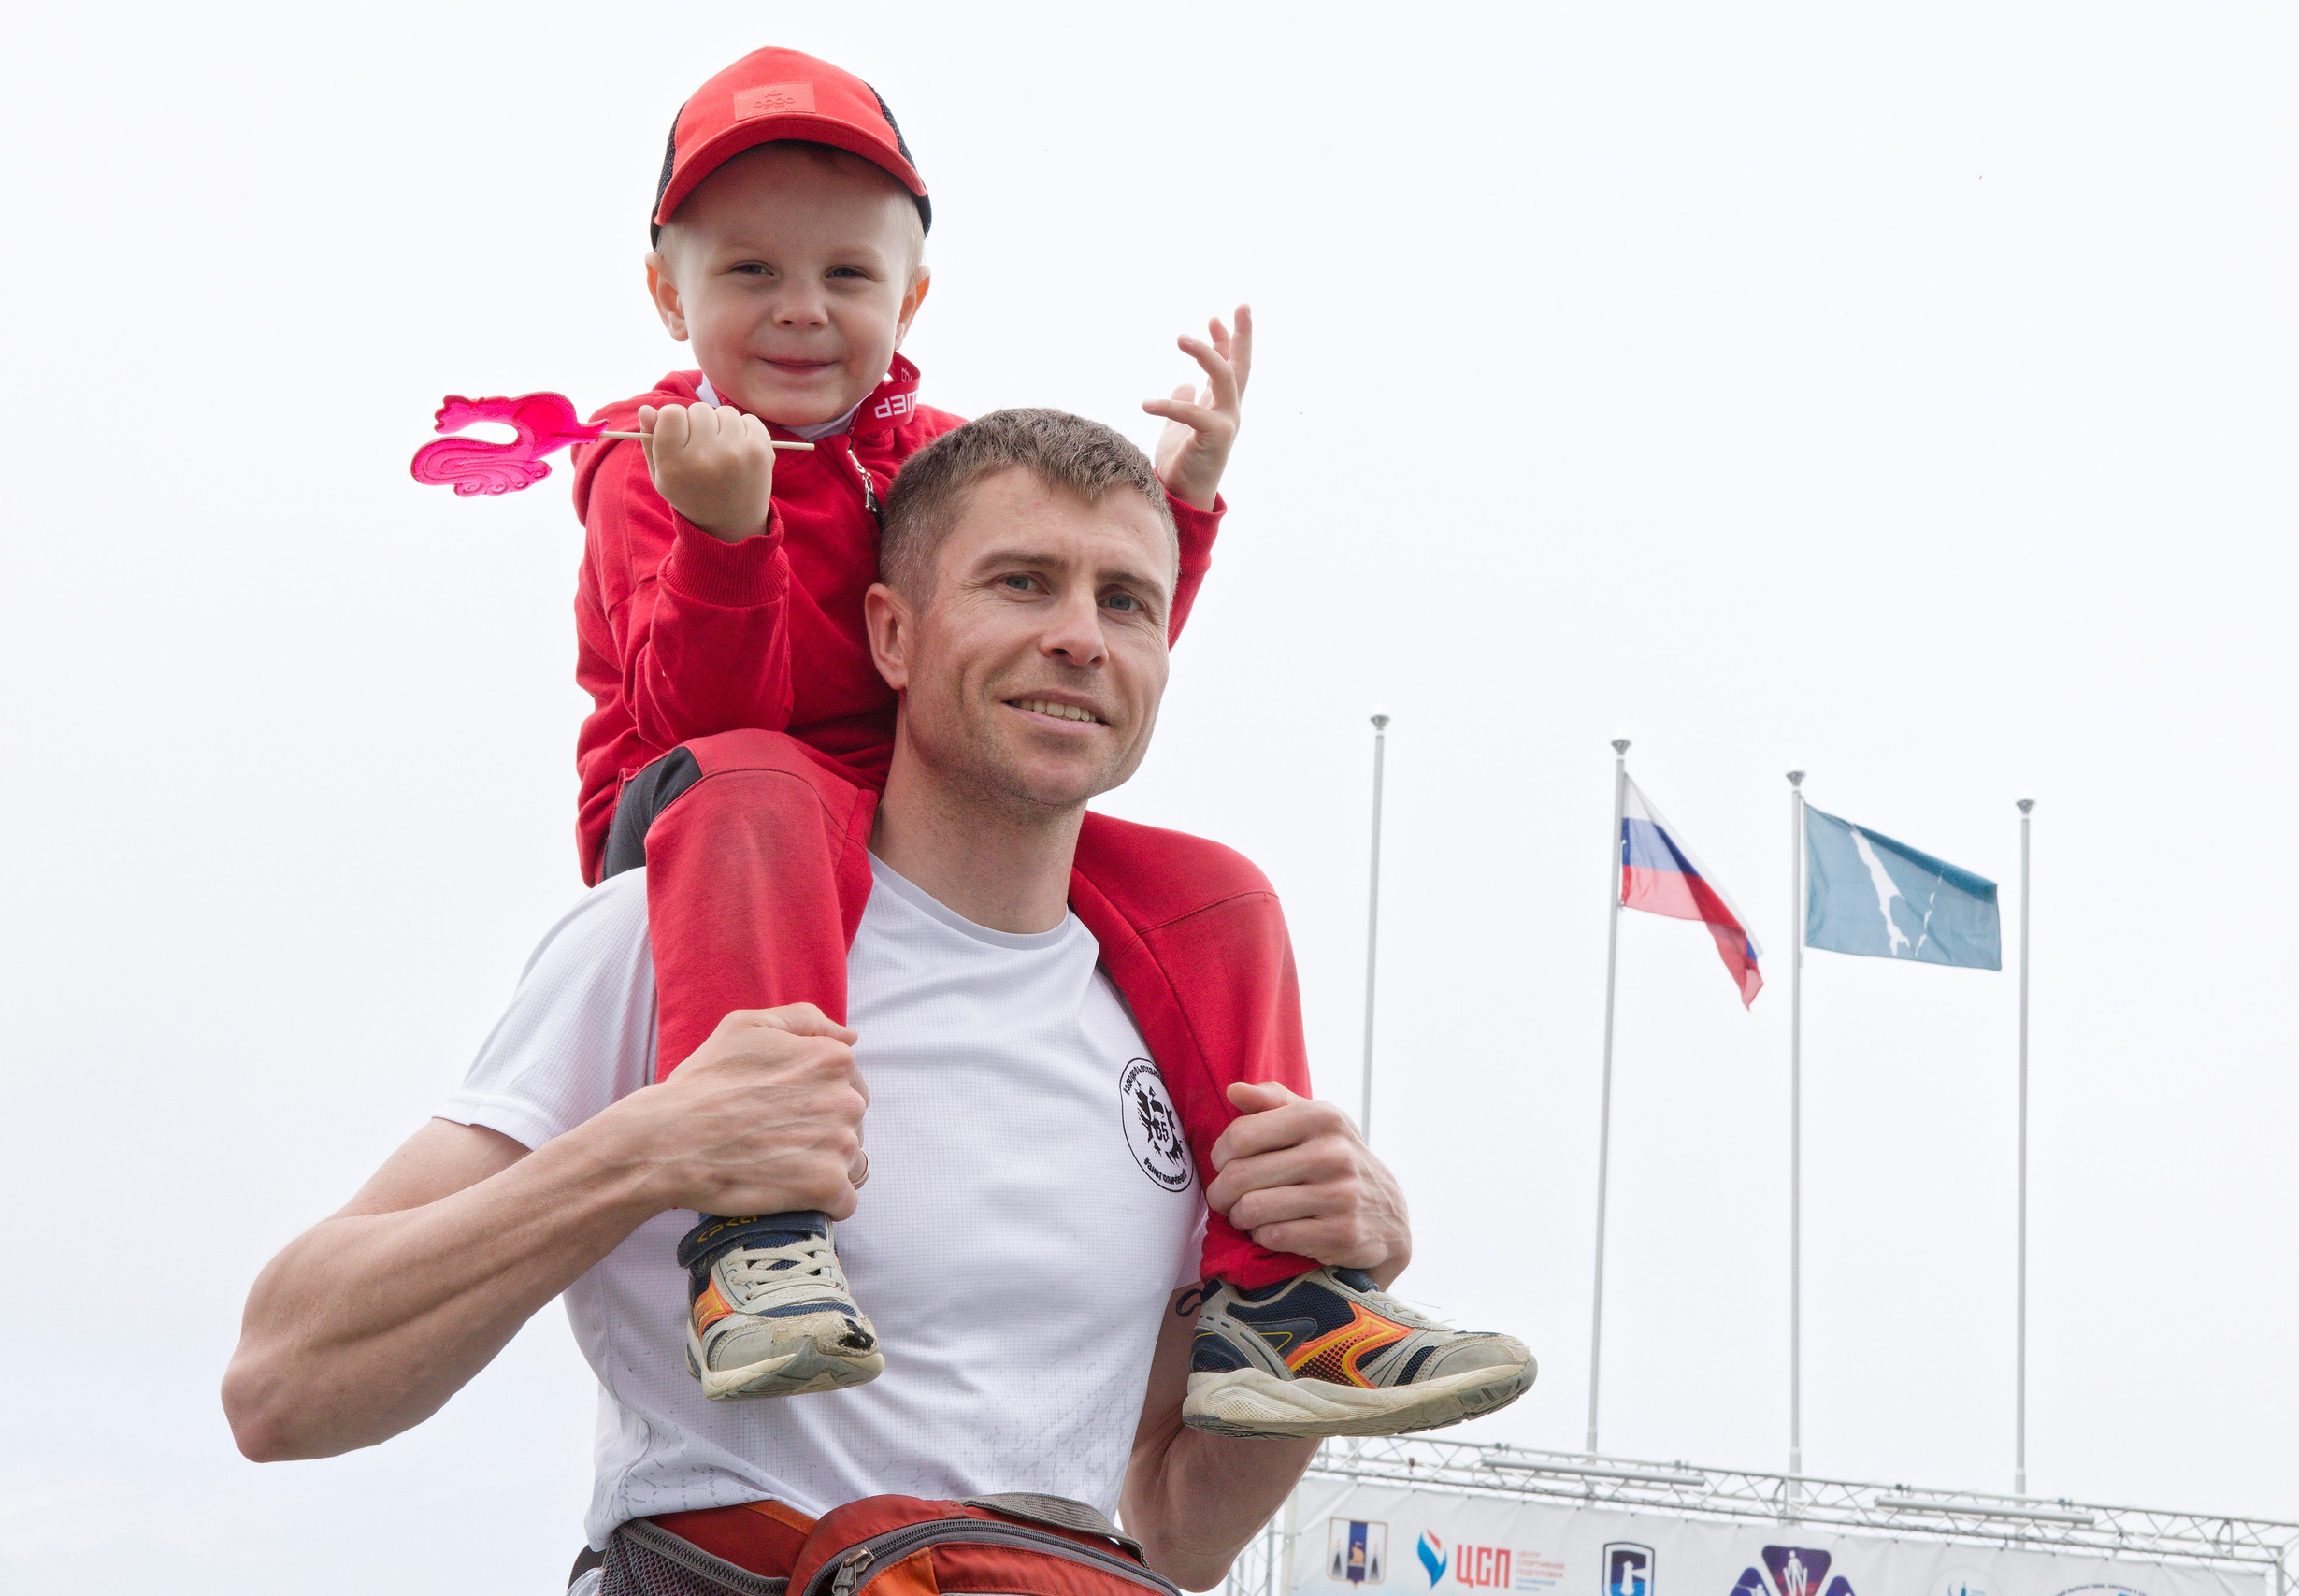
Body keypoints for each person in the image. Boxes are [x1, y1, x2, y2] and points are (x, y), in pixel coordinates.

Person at [222, 411, 1527, 1588]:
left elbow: (1179, 1527)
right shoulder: (676, 934)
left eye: (1127, 599)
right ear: (892, 634)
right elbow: (283, 1386)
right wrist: (643, 1152)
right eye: (1023, 582)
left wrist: (1339, 1257)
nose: (1080, 632)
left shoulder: (1178, 1023)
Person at [568, 45, 1536, 1432]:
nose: (800, 310)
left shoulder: (938, 457)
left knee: (1217, 890)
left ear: (910, 294)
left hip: (914, 793)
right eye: (748, 274)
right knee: (762, 781)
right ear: (668, 292)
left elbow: (1068, 651)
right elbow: (703, 724)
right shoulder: (654, 459)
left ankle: (1276, 1298)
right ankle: (760, 1239)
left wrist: (1178, 510)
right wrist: (725, 537)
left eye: (845, 275)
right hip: (706, 795)